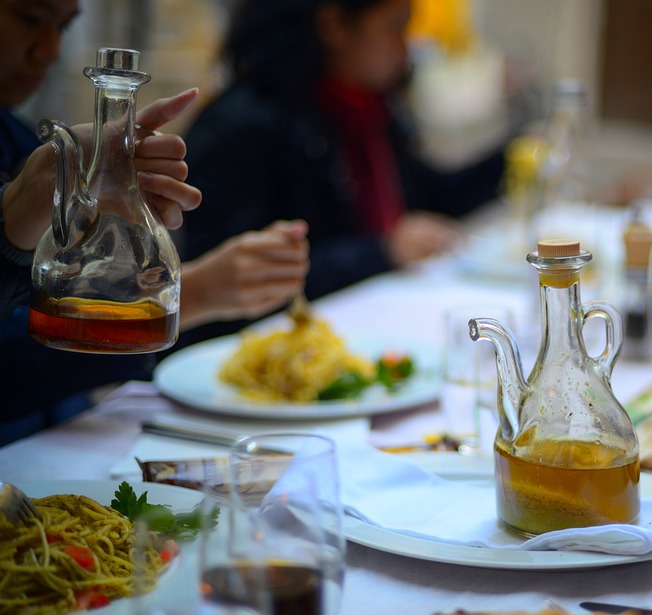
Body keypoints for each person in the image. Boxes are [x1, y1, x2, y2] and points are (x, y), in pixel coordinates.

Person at [0, 0, 308, 443]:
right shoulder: (246, 120)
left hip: (63, 440)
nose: (49, 50)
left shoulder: (14, 136)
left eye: (64, 27)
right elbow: (17, 362)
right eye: (31, 19)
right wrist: (196, 293)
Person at [176, 0, 505, 349]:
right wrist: (381, 252)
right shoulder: (242, 125)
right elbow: (231, 284)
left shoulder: (364, 109)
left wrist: (515, 158)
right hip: (253, 353)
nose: (405, 46)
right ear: (334, 25)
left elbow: (429, 197)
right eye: (395, 26)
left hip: (365, 328)